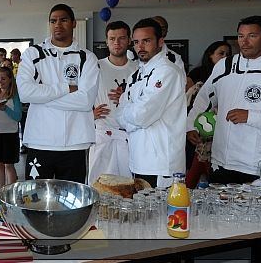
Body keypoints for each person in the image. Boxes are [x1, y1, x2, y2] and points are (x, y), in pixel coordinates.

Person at [187, 16, 261, 185]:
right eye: (240, 36)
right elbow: (204, 98)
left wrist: (250, 116)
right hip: (222, 161)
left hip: (257, 166)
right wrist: (191, 125)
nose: (244, 42)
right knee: (219, 210)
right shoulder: (224, 66)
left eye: (252, 36)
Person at [16, 3, 98, 183]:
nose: (58, 25)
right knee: (35, 201)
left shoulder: (87, 57)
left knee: (72, 203)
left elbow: (85, 101)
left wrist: (41, 97)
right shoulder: (33, 53)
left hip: (75, 143)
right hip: (39, 141)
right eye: (53, 21)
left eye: (63, 20)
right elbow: (25, 93)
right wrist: (66, 88)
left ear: (74, 23)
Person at [116, 18, 186, 188]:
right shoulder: (135, 75)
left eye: (146, 41)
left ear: (160, 41)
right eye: (136, 42)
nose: (140, 47)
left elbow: (141, 116)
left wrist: (132, 120)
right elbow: (119, 115)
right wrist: (133, 120)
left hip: (161, 164)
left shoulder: (168, 71)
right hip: (138, 160)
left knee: (162, 214)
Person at [88, 21, 137, 183]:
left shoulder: (138, 69)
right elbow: (81, 95)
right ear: (106, 41)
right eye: (112, 38)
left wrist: (127, 97)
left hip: (129, 134)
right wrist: (90, 114)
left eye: (122, 38)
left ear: (129, 40)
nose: (117, 43)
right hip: (103, 134)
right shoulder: (95, 67)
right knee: (99, 185)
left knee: (127, 186)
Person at [184, 41, 231, 188]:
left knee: (217, 175)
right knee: (196, 170)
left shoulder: (231, 73)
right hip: (202, 131)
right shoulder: (198, 73)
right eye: (221, 53)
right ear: (210, 55)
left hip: (225, 131)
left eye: (228, 54)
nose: (225, 57)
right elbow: (192, 102)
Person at [0, 66, 22, 188]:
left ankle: (10, 191)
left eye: (3, 79)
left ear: (10, 80)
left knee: (9, 165)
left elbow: (18, 116)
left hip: (9, 135)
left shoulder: (14, 96)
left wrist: (5, 108)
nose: (0, 81)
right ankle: (0, 191)